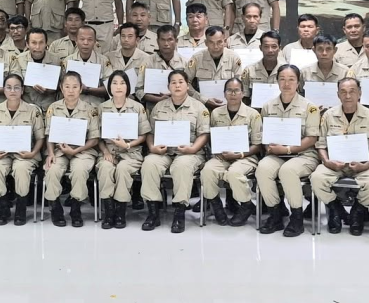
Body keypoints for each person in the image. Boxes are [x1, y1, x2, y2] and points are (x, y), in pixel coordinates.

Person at [310, 76, 369, 236]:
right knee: (317, 179)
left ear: (360, 93)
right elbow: (320, 144)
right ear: (338, 94)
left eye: (352, 91)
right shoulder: (328, 115)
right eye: (343, 92)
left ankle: (357, 212)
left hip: (362, 164)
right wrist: (327, 161)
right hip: (335, 164)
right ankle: (335, 209)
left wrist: (366, 165)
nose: (348, 96)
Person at [139, 69, 208, 233]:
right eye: (173, 82)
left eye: (181, 82)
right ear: (168, 86)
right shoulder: (159, 106)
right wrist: (152, 147)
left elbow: (204, 134)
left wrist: (193, 148)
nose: (177, 85)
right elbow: (150, 133)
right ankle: (153, 211)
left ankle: (179, 212)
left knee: (181, 166)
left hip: (189, 152)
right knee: (149, 163)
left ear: (187, 85)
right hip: (163, 151)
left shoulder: (198, 107)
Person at [253, 64, 319, 237]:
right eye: (282, 79)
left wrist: (288, 149)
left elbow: (312, 138)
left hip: (304, 154)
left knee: (288, 171)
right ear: (277, 81)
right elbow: (264, 134)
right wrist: (268, 147)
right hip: (276, 153)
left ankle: (296, 218)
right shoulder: (268, 106)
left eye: (291, 79)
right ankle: (275, 214)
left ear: (298, 82)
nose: (286, 84)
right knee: (262, 169)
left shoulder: (310, 107)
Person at [200, 76, 262, 227]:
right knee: (207, 171)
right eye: (229, 90)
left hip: (245, 157)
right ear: (224, 93)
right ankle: (216, 205)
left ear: (243, 93)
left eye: (236, 90)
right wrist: (217, 151)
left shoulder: (253, 114)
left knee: (234, 173)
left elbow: (258, 145)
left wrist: (240, 154)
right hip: (221, 156)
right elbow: (212, 137)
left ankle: (246, 205)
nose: (233, 94)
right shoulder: (215, 113)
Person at [91, 69, 148, 229]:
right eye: (114, 83)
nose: (118, 86)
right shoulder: (101, 108)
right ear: (109, 87)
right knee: (105, 168)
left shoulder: (137, 107)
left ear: (128, 86)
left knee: (123, 169)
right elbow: (97, 137)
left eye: (122, 83)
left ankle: (120, 211)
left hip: (131, 152)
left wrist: (128, 145)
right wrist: (105, 152)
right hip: (108, 150)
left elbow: (144, 135)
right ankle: (109, 212)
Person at [43, 71, 100, 226]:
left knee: (79, 170)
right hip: (59, 151)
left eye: (75, 87)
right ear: (61, 88)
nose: (71, 90)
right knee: (52, 169)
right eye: (67, 86)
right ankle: (55, 207)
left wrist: (75, 151)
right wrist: (50, 153)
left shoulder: (90, 109)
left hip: (83, 151)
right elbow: (49, 135)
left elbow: (94, 139)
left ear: (81, 89)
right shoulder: (53, 108)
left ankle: (76, 207)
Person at [0, 73, 43, 225]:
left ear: (22, 90)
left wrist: (33, 153)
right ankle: (3, 207)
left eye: (16, 88)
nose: (12, 91)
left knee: (21, 169)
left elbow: (40, 138)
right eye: (9, 87)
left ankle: (20, 208)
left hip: (25, 155)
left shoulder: (32, 111)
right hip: (1, 154)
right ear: (3, 90)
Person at [189, 26, 242, 110]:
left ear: (225, 41)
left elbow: (240, 84)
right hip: (202, 105)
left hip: (228, 106)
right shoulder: (197, 58)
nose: (216, 46)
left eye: (219, 42)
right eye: (211, 42)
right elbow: (186, 83)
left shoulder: (234, 58)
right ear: (206, 43)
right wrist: (203, 99)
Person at [142, 25, 190, 107]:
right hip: (155, 107)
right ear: (157, 41)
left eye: (170, 40)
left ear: (176, 41)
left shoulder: (185, 62)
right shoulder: (148, 62)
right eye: (163, 40)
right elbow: (139, 90)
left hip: (181, 107)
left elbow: (190, 88)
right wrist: (157, 99)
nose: (166, 44)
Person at [15, 28, 60, 112]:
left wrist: (50, 90)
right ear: (27, 44)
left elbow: (62, 84)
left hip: (49, 107)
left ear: (46, 43)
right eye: (34, 43)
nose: (37, 47)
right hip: (25, 107)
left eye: (41, 42)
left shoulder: (56, 60)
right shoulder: (19, 60)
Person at [62, 24, 111, 101]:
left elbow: (110, 87)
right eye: (82, 39)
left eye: (90, 39)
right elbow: (61, 86)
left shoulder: (103, 61)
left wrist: (88, 90)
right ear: (76, 41)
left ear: (95, 42)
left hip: (95, 105)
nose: (85, 43)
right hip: (73, 103)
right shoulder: (67, 61)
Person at [298, 35, 344, 106]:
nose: (324, 53)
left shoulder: (345, 72)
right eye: (320, 49)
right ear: (314, 50)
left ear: (335, 50)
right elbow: (299, 95)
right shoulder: (304, 72)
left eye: (328, 49)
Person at [107, 22, 154, 87]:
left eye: (130, 36)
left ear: (137, 40)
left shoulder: (146, 59)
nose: (126, 39)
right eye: (123, 36)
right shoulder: (109, 57)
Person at [241, 30, 283, 101]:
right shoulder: (249, 70)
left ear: (279, 48)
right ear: (260, 48)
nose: (270, 50)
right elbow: (244, 96)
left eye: (274, 46)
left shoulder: (286, 71)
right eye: (266, 47)